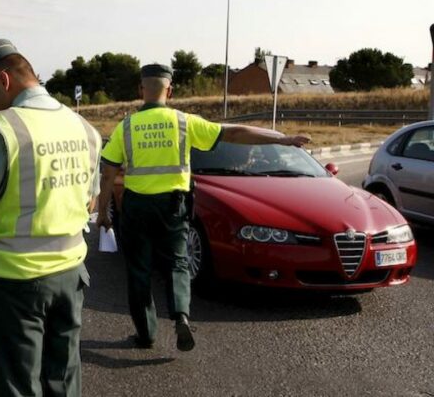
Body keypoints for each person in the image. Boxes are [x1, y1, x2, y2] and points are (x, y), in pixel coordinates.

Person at [95, 64, 310, 351]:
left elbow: (108, 173)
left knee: (139, 270)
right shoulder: (184, 122)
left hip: (137, 207)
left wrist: (102, 213)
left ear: (140, 90)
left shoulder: (127, 126)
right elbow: (235, 133)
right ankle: (181, 315)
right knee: (177, 262)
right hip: (173, 206)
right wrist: (282, 140)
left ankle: (145, 334)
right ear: (170, 91)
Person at [0, 39, 101, 397]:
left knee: (16, 385)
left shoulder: (4, 130)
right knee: (62, 379)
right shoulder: (84, 128)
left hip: (16, 283)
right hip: (70, 277)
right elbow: (89, 204)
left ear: (3, 80)